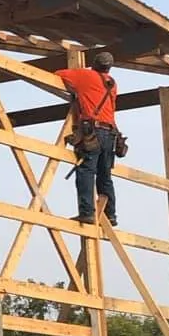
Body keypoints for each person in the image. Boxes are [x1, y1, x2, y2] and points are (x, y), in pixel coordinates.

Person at [55, 51, 123, 226]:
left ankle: (87, 213)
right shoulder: (112, 83)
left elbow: (58, 75)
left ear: (94, 64)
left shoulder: (85, 75)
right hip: (110, 133)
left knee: (86, 170)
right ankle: (110, 215)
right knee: (105, 175)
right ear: (109, 68)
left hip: (93, 131)